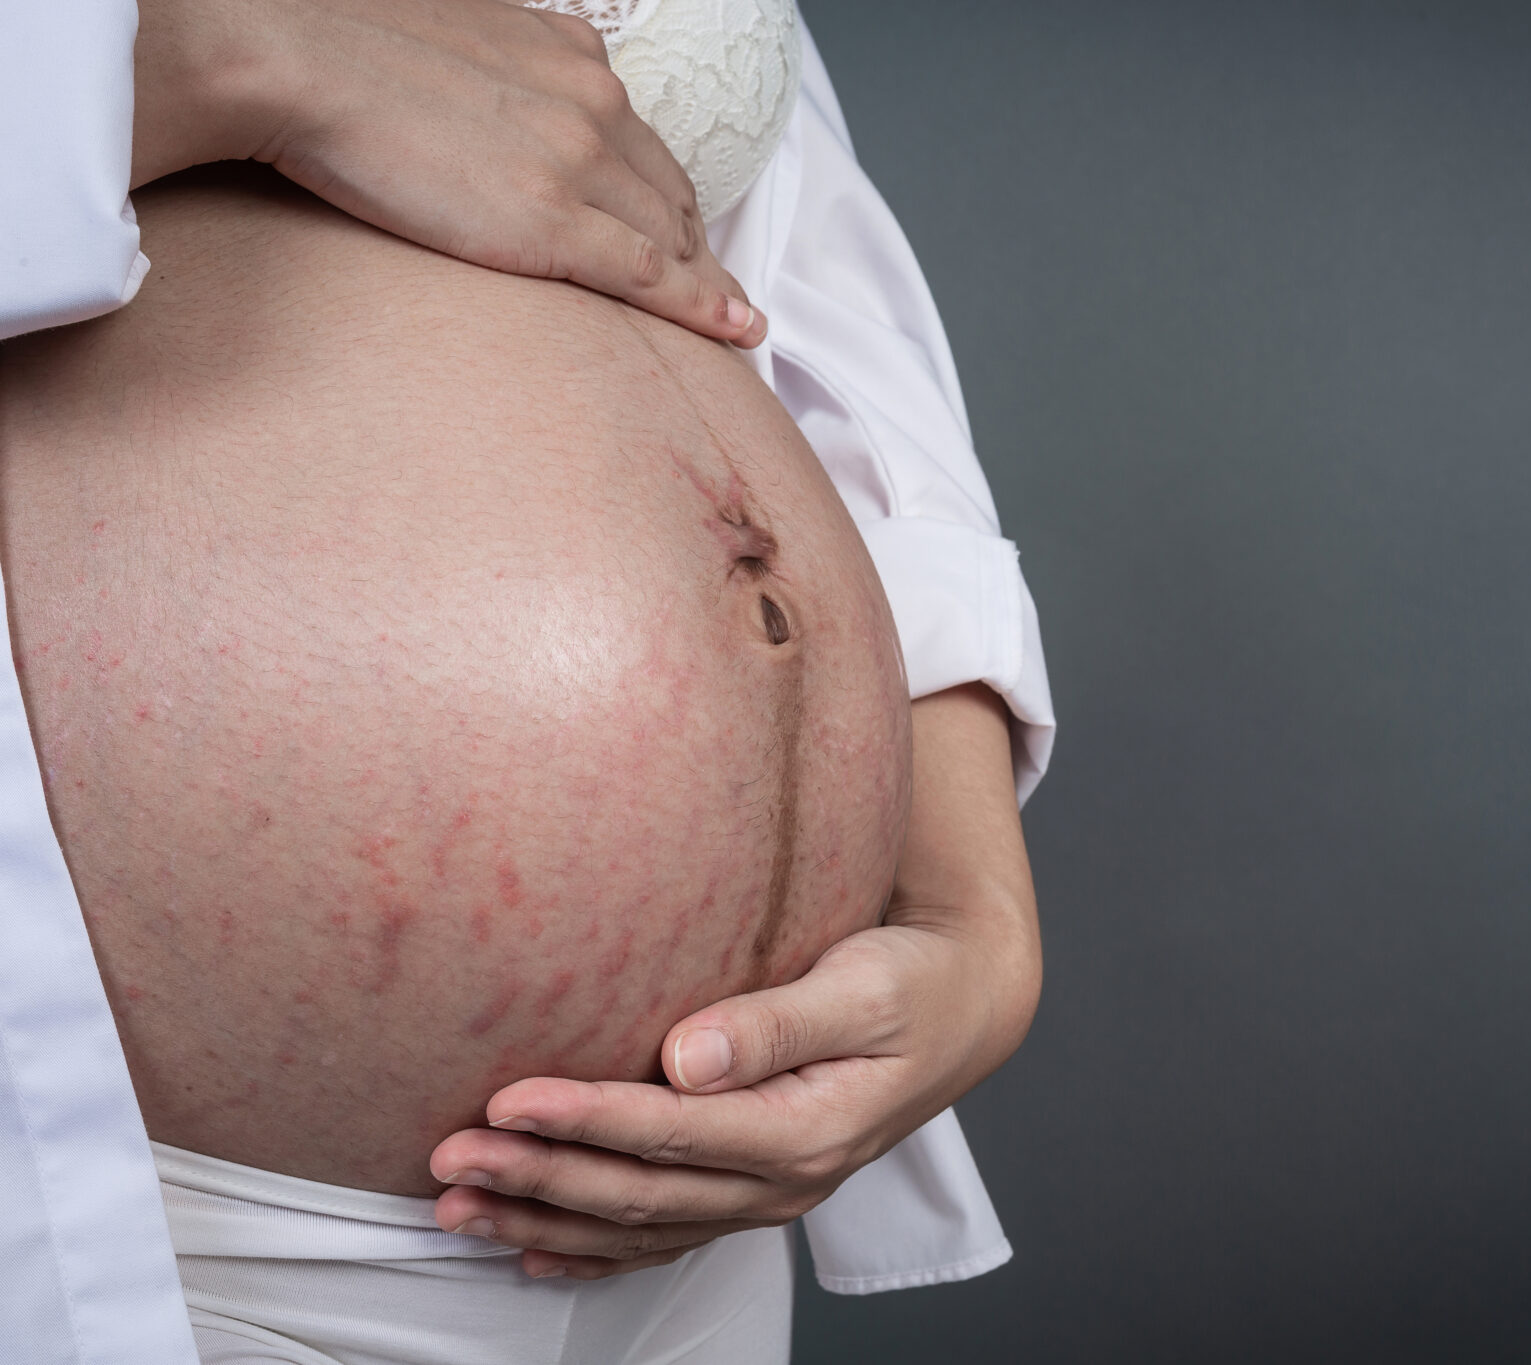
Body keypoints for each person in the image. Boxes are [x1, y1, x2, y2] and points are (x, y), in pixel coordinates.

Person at [0, 1, 1052, 1360]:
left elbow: (763, 216)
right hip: (191, 1229)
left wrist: (969, 892)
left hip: (711, 1235)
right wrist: (219, 61)